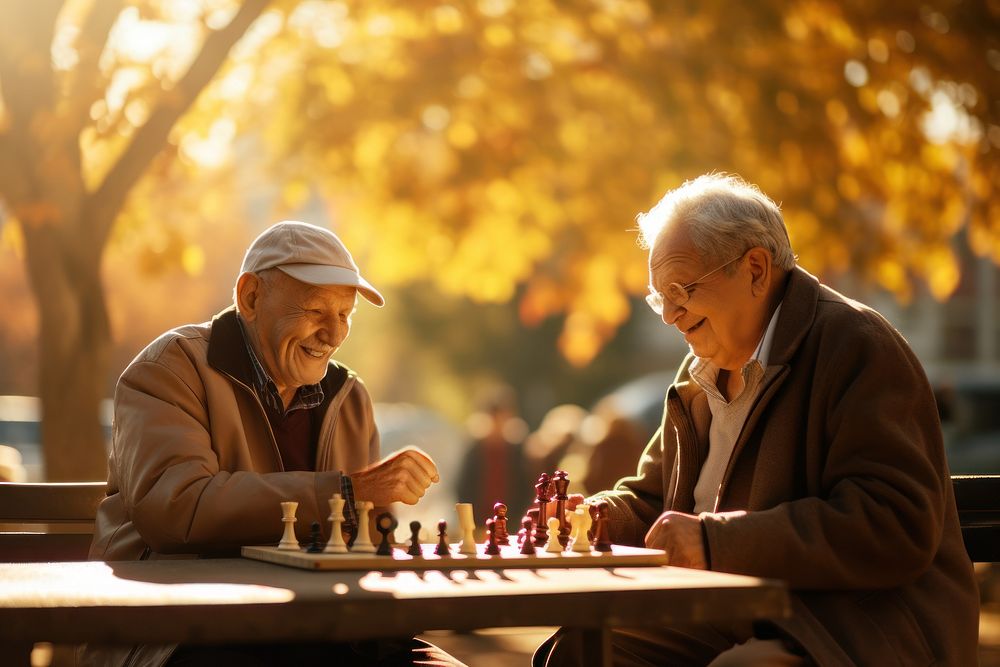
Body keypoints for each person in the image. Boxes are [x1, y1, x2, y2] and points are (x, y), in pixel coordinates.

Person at [534, 174, 979, 666]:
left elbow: (894, 523)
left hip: (849, 626)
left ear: (755, 269)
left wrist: (717, 542)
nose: (669, 316)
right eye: (660, 297)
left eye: (681, 289)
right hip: (729, 609)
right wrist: (589, 517)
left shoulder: (856, 344)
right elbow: (656, 502)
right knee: (581, 650)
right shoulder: (697, 374)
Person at [85, 221, 461, 667]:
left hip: (330, 631)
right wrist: (346, 490)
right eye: (317, 311)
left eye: (345, 315)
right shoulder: (170, 369)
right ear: (250, 298)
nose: (334, 334)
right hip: (189, 630)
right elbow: (176, 510)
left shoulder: (350, 397)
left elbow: (369, 543)